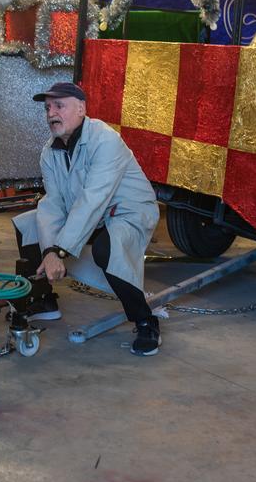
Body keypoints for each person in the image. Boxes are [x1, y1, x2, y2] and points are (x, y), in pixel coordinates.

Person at [12, 82, 162, 356]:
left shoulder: (105, 140)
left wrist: (59, 249)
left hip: (126, 211)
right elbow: (54, 203)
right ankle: (45, 300)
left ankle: (144, 320)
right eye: (47, 108)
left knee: (110, 248)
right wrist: (48, 251)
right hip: (89, 214)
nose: (51, 113)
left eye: (59, 106)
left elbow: (93, 199)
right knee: (28, 226)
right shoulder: (50, 151)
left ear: (81, 109)